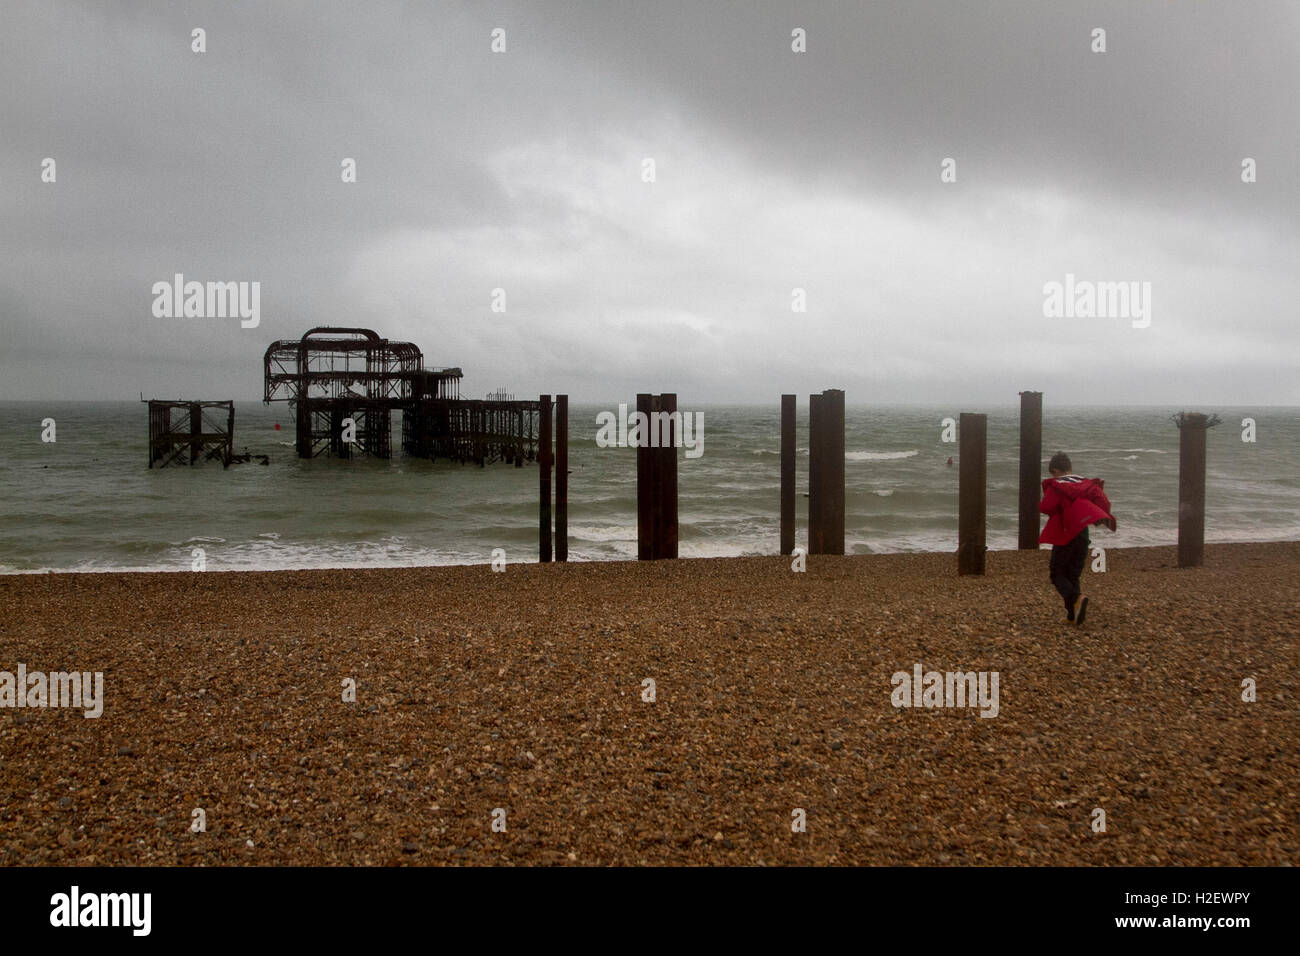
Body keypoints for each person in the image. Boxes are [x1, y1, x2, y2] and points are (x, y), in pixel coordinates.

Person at [1039, 452, 1116, 624]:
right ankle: (1073, 615)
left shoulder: (1057, 485)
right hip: (1082, 534)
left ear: (1056, 470)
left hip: (1066, 534)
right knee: (1073, 575)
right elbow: (1103, 503)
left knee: (1057, 573)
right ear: (1070, 468)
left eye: (1053, 474)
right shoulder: (1087, 485)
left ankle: (1075, 600)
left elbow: (1046, 506)